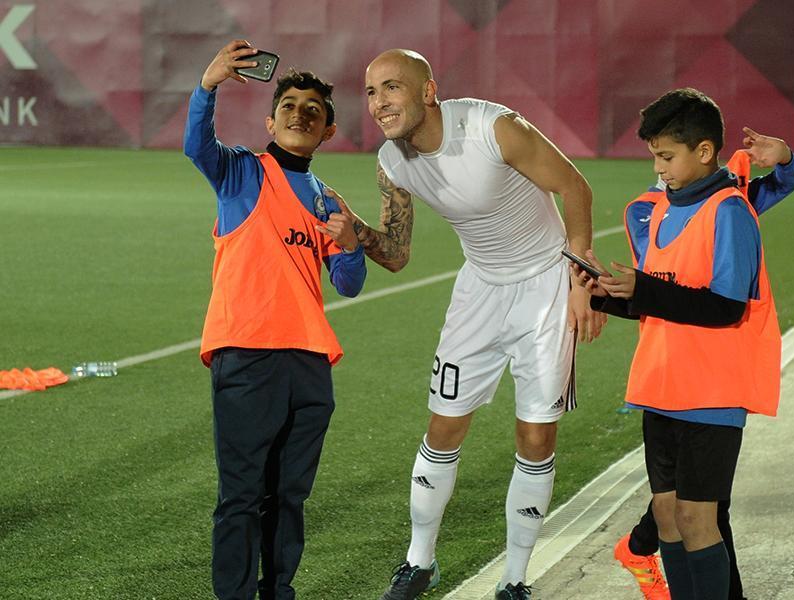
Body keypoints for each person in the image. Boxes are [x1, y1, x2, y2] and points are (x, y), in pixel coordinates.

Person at [335, 49, 603, 600]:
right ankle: (419, 562)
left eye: (392, 87)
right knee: (443, 426)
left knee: (535, 434)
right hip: (479, 289)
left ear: (428, 91)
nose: (379, 102)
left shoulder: (492, 127)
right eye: (371, 92)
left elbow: (575, 186)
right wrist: (352, 228)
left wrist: (582, 279)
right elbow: (396, 253)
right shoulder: (391, 161)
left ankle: (515, 578)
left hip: (545, 285)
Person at [575, 88, 784, 600]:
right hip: (660, 385)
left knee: (696, 518)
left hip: (712, 392)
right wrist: (606, 294)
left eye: (666, 156)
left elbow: (725, 307)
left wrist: (645, 289)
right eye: (654, 156)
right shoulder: (660, 210)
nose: (658, 167)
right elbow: (658, 302)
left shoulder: (730, 211)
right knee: (667, 515)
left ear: (705, 151)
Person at [183, 39, 366, 600]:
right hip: (246, 353)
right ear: (270, 120)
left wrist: (351, 243)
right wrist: (208, 85)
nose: (299, 114)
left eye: (313, 109)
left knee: (289, 495)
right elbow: (196, 146)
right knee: (241, 494)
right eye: (288, 105)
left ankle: (278, 590)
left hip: (309, 362)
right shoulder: (242, 173)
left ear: (328, 131)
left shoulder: (327, 200)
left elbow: (348, 283)